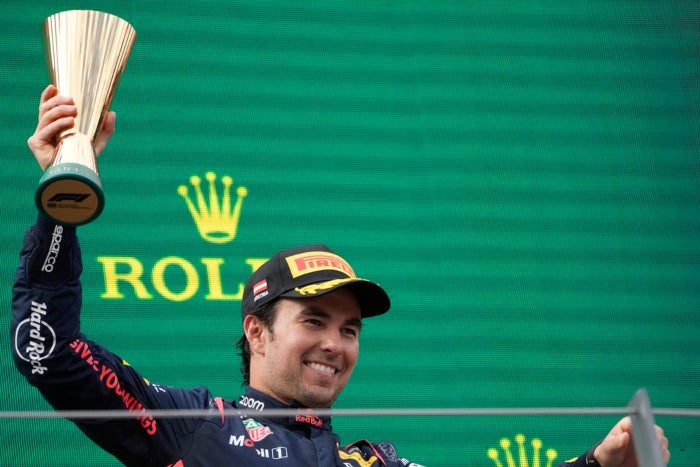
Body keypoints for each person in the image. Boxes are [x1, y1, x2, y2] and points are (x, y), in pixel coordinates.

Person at [12, 85, 670, 467]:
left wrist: (599, 462)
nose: (336, 342)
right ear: (257, 330)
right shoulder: (193, 422)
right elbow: (46, 351)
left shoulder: (370, 462)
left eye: (350, 328)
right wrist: (64, 190)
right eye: (315, 319)